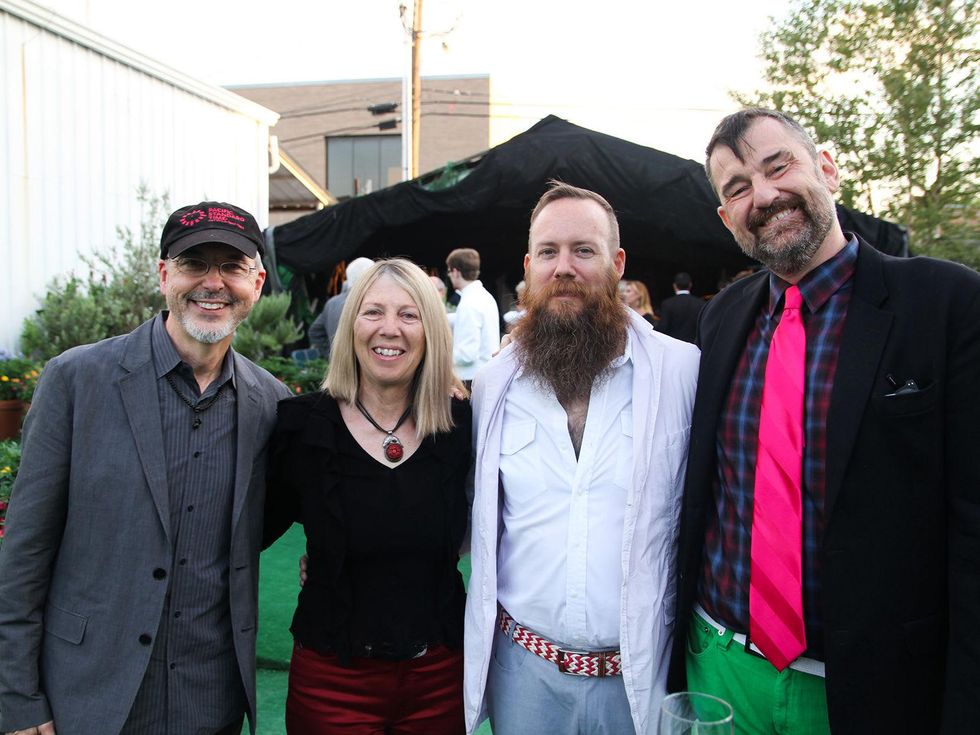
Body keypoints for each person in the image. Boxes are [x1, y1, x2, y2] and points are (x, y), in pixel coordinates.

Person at [668, 108, 980, 734]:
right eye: (738, 188)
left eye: (777, 166)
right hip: (720, 669)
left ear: (827, 170)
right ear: (727, 218)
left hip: (870, 686)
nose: (764, 196)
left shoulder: (946, 304)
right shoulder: (722, 317)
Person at [0, 202, 291, 735]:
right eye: (193, 263)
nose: (213, 283)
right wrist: (18, 697)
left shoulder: (272, 404)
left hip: (211, 700)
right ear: (164, 275)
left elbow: (263, 526)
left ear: (256, 282)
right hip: (87, 695)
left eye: (231, 266)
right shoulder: (76, 380)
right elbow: (24, 553)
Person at [464, 182, 700, 735]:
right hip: (524, 675)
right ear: (529, 268)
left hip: (639, 675)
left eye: (583, 250)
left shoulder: (682, 370)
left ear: (617, 264)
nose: (563, 267)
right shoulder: (492, 384)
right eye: (548, 252)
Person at [264, 258, 472, 735]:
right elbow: (247, 533)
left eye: (408, 314)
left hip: (440, 677)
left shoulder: (462, 424)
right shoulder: (302, 427)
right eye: (373, 311)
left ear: (431, 330)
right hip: (332, 681)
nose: (389, 328)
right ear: (350, 325)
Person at [445, 248, 500, 385]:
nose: (449, 275)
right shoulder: (484, 296)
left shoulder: (469, 304)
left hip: (469, 380)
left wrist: (437, 358)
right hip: (485, 375)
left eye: (449, 272)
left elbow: (466, 354)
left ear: (455, 272)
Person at [308, 257, 373, 356]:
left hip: (339, 362)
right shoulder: (369, 304)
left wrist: (331, 355)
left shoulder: (332, 303)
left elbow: (314, 332)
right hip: (362, 363)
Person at [656, 272, 704, 343]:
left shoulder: (667, 303)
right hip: (693, 345)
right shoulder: (700, 303)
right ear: (690, 285)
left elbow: (663, 327)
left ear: (674, 286)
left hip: (673, 345)